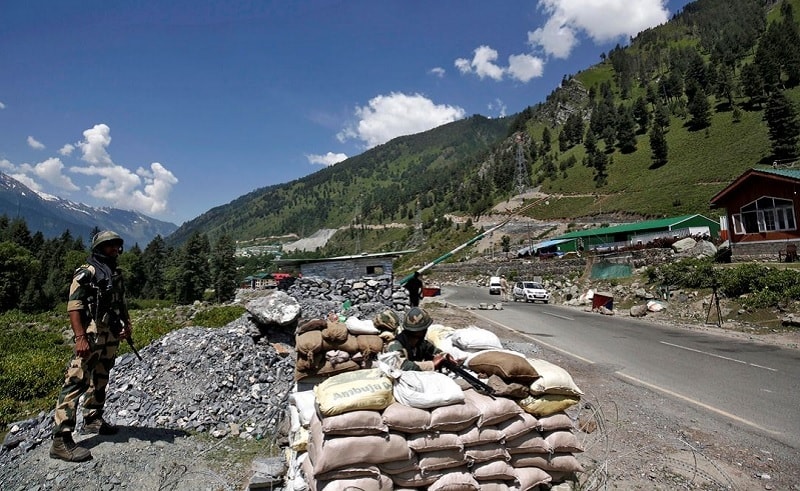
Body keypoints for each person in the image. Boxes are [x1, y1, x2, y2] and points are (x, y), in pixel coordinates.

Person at [50, 230, 132, 462]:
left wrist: (127, 325)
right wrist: (80, 338)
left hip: (109, 335)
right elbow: (74, 306)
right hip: (91, 335)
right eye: (109, 246)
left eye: (116, 245)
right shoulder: (87, 272)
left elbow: (121, 302)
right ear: (99, 248)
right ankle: (60, 440)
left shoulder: (114, 272)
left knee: (101, 376)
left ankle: (93, 419)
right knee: (76, 380)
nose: (114, 249)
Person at [384, 307, 452, 371]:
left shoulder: (420, 343)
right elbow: (401, 366)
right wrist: (432, 364)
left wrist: (444, 356)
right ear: (423, 330)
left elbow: (434, 350)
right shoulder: (395, 345)